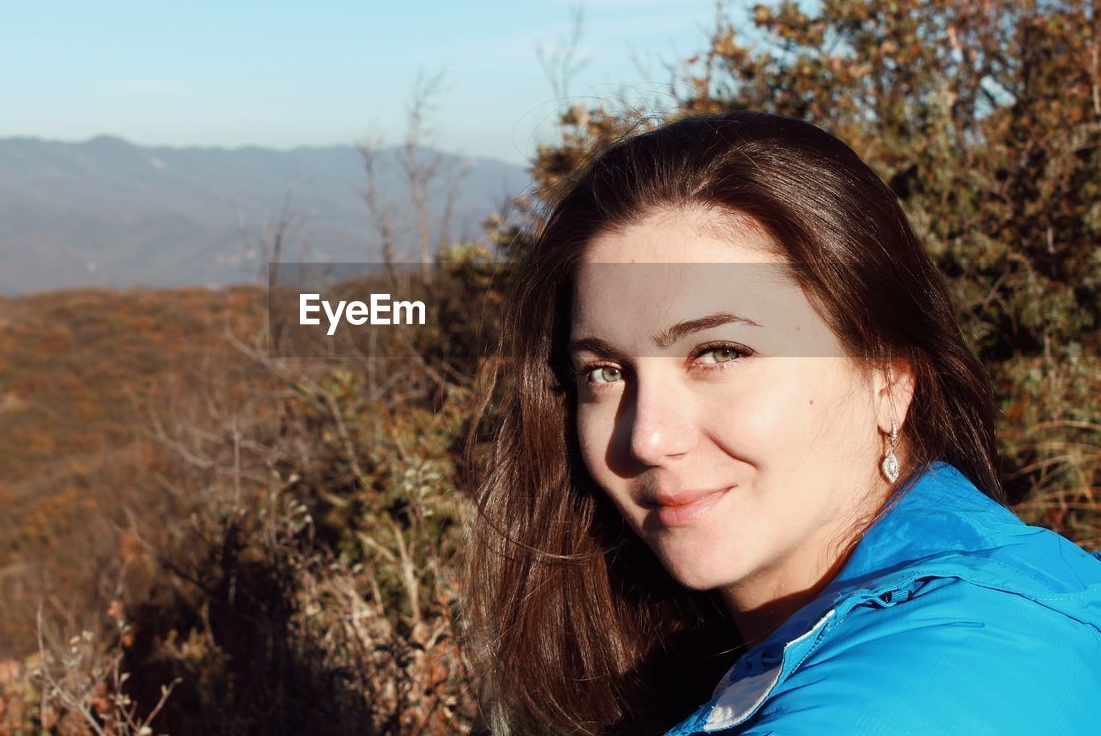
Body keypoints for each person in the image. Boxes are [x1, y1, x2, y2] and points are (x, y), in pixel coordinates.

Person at [464, 111, 1101, 735]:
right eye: (605, 373)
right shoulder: (1008, 596)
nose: (647, 438)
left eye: (720, 354)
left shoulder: (935, 683)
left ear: (888, 378)